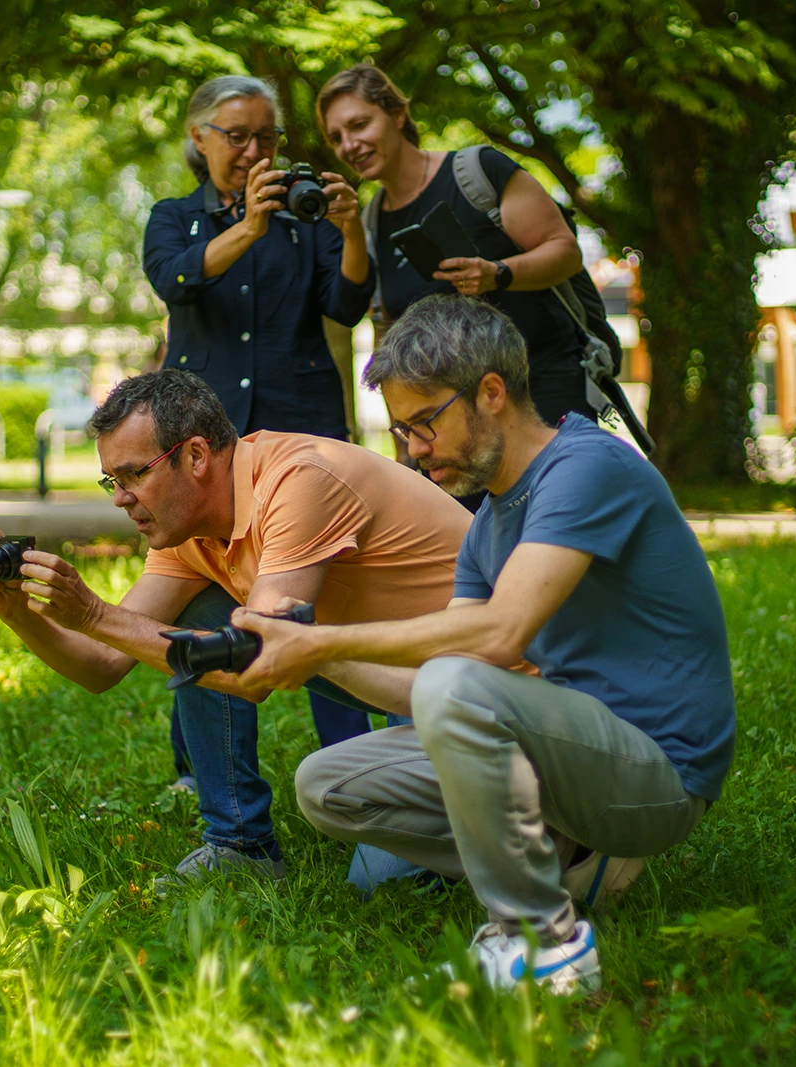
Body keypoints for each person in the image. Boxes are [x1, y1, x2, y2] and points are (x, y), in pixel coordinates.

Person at [231, 295, 736, 993]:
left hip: (658, 773)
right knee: (327, 784)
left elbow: (502, 632)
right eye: (402, 430)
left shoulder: (585, 467)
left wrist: (327, 642)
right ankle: (570, 864)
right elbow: (444, 686)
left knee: (453, 686)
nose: (412, 448)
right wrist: (315, 651)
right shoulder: (489, 526)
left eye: (423, 423)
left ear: (491, 393)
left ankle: (541, 942)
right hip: (571, 757)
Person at [0, 370, 469, 886]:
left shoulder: (300, 480)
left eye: (134, 475)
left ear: (196, 456)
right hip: (386, 676)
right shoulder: (188, 532)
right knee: (195, 620)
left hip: (477, 679)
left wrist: (94, 613)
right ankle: (238, 844)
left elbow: (261, 666)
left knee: (387, 886)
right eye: (113, 481)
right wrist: (17, 609)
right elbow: (103, 665)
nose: (120, 498)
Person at [140, 74, 383, 811]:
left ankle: (358, 771)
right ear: (199, 139)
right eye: (237, 136)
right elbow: (173, 279)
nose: (254, 151)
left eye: (267, 137)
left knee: (326, 598)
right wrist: (244, 227)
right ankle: (201, 775)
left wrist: (347, 231)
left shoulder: (302, 217)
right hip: (204, 440)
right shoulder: (175, 217)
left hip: (300, 425)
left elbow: (345, 303)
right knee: (199, 591)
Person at [316, 64, 597, 432]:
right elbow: (389, 336)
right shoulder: (369, 222)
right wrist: (405, 436)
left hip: (544, 405)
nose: (348, 146)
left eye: (358, 125)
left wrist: (498, 274)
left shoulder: (477, 173)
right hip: (455, 437)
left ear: (397, 114)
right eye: (336, 137)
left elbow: (565, 252)